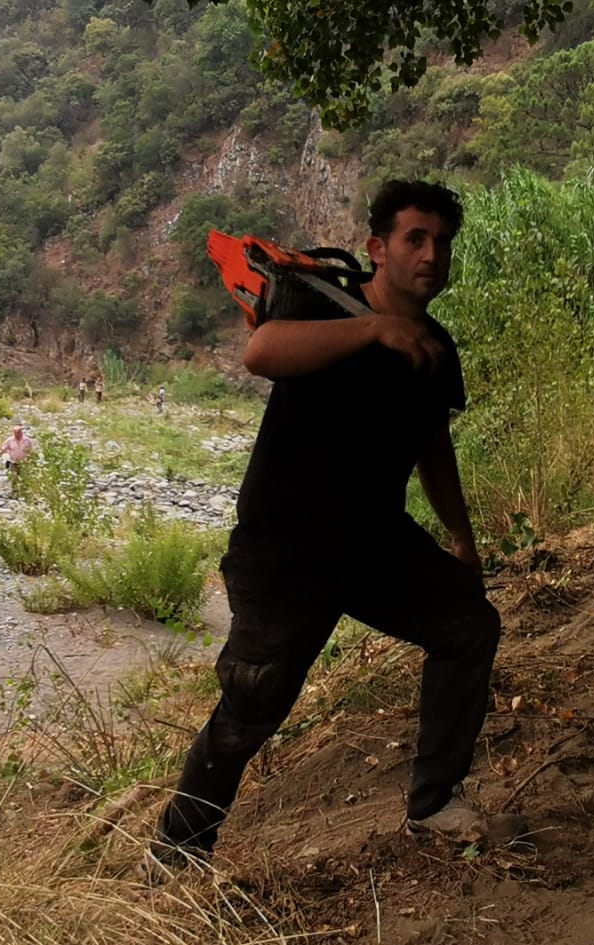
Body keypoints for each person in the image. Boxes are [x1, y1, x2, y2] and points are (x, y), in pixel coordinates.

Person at [150, 181, 499, 873]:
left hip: (373, 543)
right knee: (254, 702)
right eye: (415, 239)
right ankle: (177, 851)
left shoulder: (438, 349)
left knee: (468, 624)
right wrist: (375, 328)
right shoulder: (326, 304)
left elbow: (433, 446)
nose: (432, 254)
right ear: (378, 249)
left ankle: (434, 801)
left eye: (443, 242)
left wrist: (461, 538)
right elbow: (261, 353)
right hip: (284, 549)